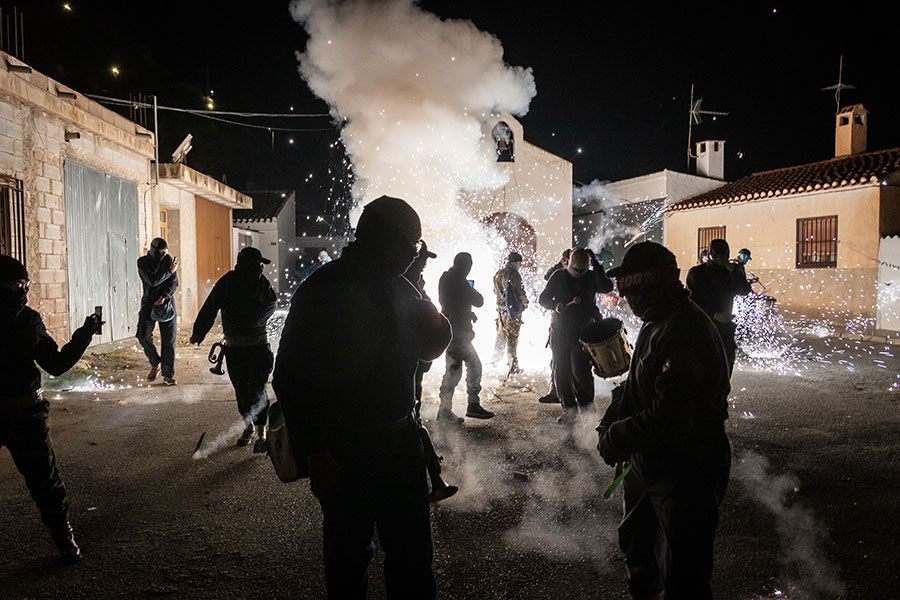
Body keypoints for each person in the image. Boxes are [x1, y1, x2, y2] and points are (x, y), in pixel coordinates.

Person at [272, 196, 451, 599]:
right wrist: (317, 452)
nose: (414, 254)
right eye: (412, 246)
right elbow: (288, 377)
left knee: (411, 560)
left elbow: (430, 348)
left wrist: (431, 313)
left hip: (400, 442)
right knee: (350, 560)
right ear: (388, 241)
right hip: (344, 449)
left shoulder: (401, 287)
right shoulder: (325, 289)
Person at [597, 242, 731, 600]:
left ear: (655, 287)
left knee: (684, 575)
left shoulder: (685, 332)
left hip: (687, 467)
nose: (627, 302)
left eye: (633, 293)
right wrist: (617, 411)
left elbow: (670, 418)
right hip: (649, 461)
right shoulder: (658, 321)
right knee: (640, 553)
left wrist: (618, 435)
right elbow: (642, 383)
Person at [0, 254, 103, 562]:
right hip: (24, 414)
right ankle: (65, 541)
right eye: (19, 284)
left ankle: (66, 540)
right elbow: (56, 364)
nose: (24, 290)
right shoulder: (26, 319)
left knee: (45, 481)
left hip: (24, 412)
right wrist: (85, 332)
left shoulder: (26, 318)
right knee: (44, 481)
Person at [189, 247, 277, 452]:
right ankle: (250, 427)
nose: (262, 267)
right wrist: (199, 331)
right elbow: (211, 306)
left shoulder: (258, 282)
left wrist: (249, 322)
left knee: (255, 389)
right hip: (240, 348)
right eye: (259, 263)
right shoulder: (230, 281)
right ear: (251, 264)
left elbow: (271, 304)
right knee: (244, 390)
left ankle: (260, 432)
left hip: (254, 347)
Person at [538, 248, 613, 423]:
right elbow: (543, 299)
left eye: (583, 270)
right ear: (569, 264)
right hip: (560, 332)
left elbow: (608, 286)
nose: (579, 274)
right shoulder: (558, 276)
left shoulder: (592, 276)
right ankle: (569, 410)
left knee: (582, 372)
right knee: (562, 371)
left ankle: (587, 409)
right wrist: (555, 305)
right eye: (576, 270)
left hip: (583, 332)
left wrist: (596, 264)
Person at [438, 253, 494, 421]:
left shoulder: (446, 278)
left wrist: (468, 313)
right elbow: (479, 300)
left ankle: (448, 409)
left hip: (453, 331)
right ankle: (461, 408)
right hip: (458, 334)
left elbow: (453, 303)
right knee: (459, 370)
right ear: (466, 265)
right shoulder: (459, 281)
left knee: (456, 370)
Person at [686, 239, 751, 374]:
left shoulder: (730, 272)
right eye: (717, 256)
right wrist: (714, 314)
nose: (721, 260)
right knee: (705, 372)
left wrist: (736, 272)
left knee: (725, 370)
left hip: (725, 329)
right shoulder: (697, 273)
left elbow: (744, 291)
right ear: (710, 255)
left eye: (724, 256)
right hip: (702, 329)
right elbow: (691, 301)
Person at [402, 239, 438, 418]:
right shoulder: (405, 283)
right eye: (423, 259)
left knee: (416, 385)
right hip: (409, 349)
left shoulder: (416, 280)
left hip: (417, 350)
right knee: (410, 386)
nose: (425, 263)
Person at [136, 237, 178, 385]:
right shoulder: (143, 262)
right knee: (142, 336)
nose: (163, 255)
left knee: (169, 340)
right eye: (161, 252)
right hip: (148, 303)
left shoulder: (168, 260)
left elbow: (174, 283)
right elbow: (152, 280)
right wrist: (169, 271)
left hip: (166, 303)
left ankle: (168, 375)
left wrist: (164, 296)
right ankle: (155, 362)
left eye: (165, 252)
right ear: (153, 251)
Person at [538, 249, 571, 404]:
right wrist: (559, 264)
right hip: (558, 323)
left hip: (570, 325)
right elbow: (547, 277)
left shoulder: (578, 276)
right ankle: (557, 391)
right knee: (557, 360)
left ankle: (562, 392)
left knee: (565, 361)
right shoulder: (558, 274)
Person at [493, 251, 529, 376]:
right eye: (520, 263)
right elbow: (520, 292)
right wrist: (525, 304)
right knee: (512, 339)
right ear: (516, 262)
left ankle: (494, 362)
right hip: (512, 313)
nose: (520, 266)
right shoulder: (515, 275)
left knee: (501, 337)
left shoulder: (499, 273)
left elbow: (495, 291)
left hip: (500, 312)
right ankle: (513, 366)